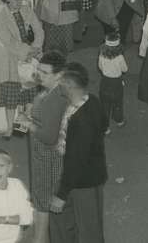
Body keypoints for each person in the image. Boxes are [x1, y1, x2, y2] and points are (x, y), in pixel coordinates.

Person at [49, 63, 108, 243]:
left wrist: (61, 194)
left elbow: (76, 161)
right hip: (88, 175)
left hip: (81, 181)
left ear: (69, 87)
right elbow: (105, 125)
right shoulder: (91, 100)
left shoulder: (81, 121)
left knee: (88, 230)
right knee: (68, 222)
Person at [16, 51, 68, 243]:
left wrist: (28, 123)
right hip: (42, 155)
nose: (39, 75)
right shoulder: (51, 90)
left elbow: (49, 136)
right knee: (40, 201)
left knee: (42, 205)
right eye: (38, 70)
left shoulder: (56, 98)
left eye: (45, 72)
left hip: (48, 157)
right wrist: (32, 112)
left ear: (59, 75)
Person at [0, 0, 44, 139]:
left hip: (31, 57)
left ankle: (23, 124)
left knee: (29, 93)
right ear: (7, 0)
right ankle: (9, 128)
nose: (19, 1)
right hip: (11, 60)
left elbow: (39, 29)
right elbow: (8, 41)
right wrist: (27, 51)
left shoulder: (27, 10)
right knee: (11, 94)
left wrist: (36, 48)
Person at [98, 32, 128, 131]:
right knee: (118, 102)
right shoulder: (120, 57)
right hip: (117, 83)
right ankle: (119, 120)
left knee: (104, 104)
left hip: (105, 82)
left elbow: (100, 67)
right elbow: (125, 69)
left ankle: (105, 127)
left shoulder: (102, 55)